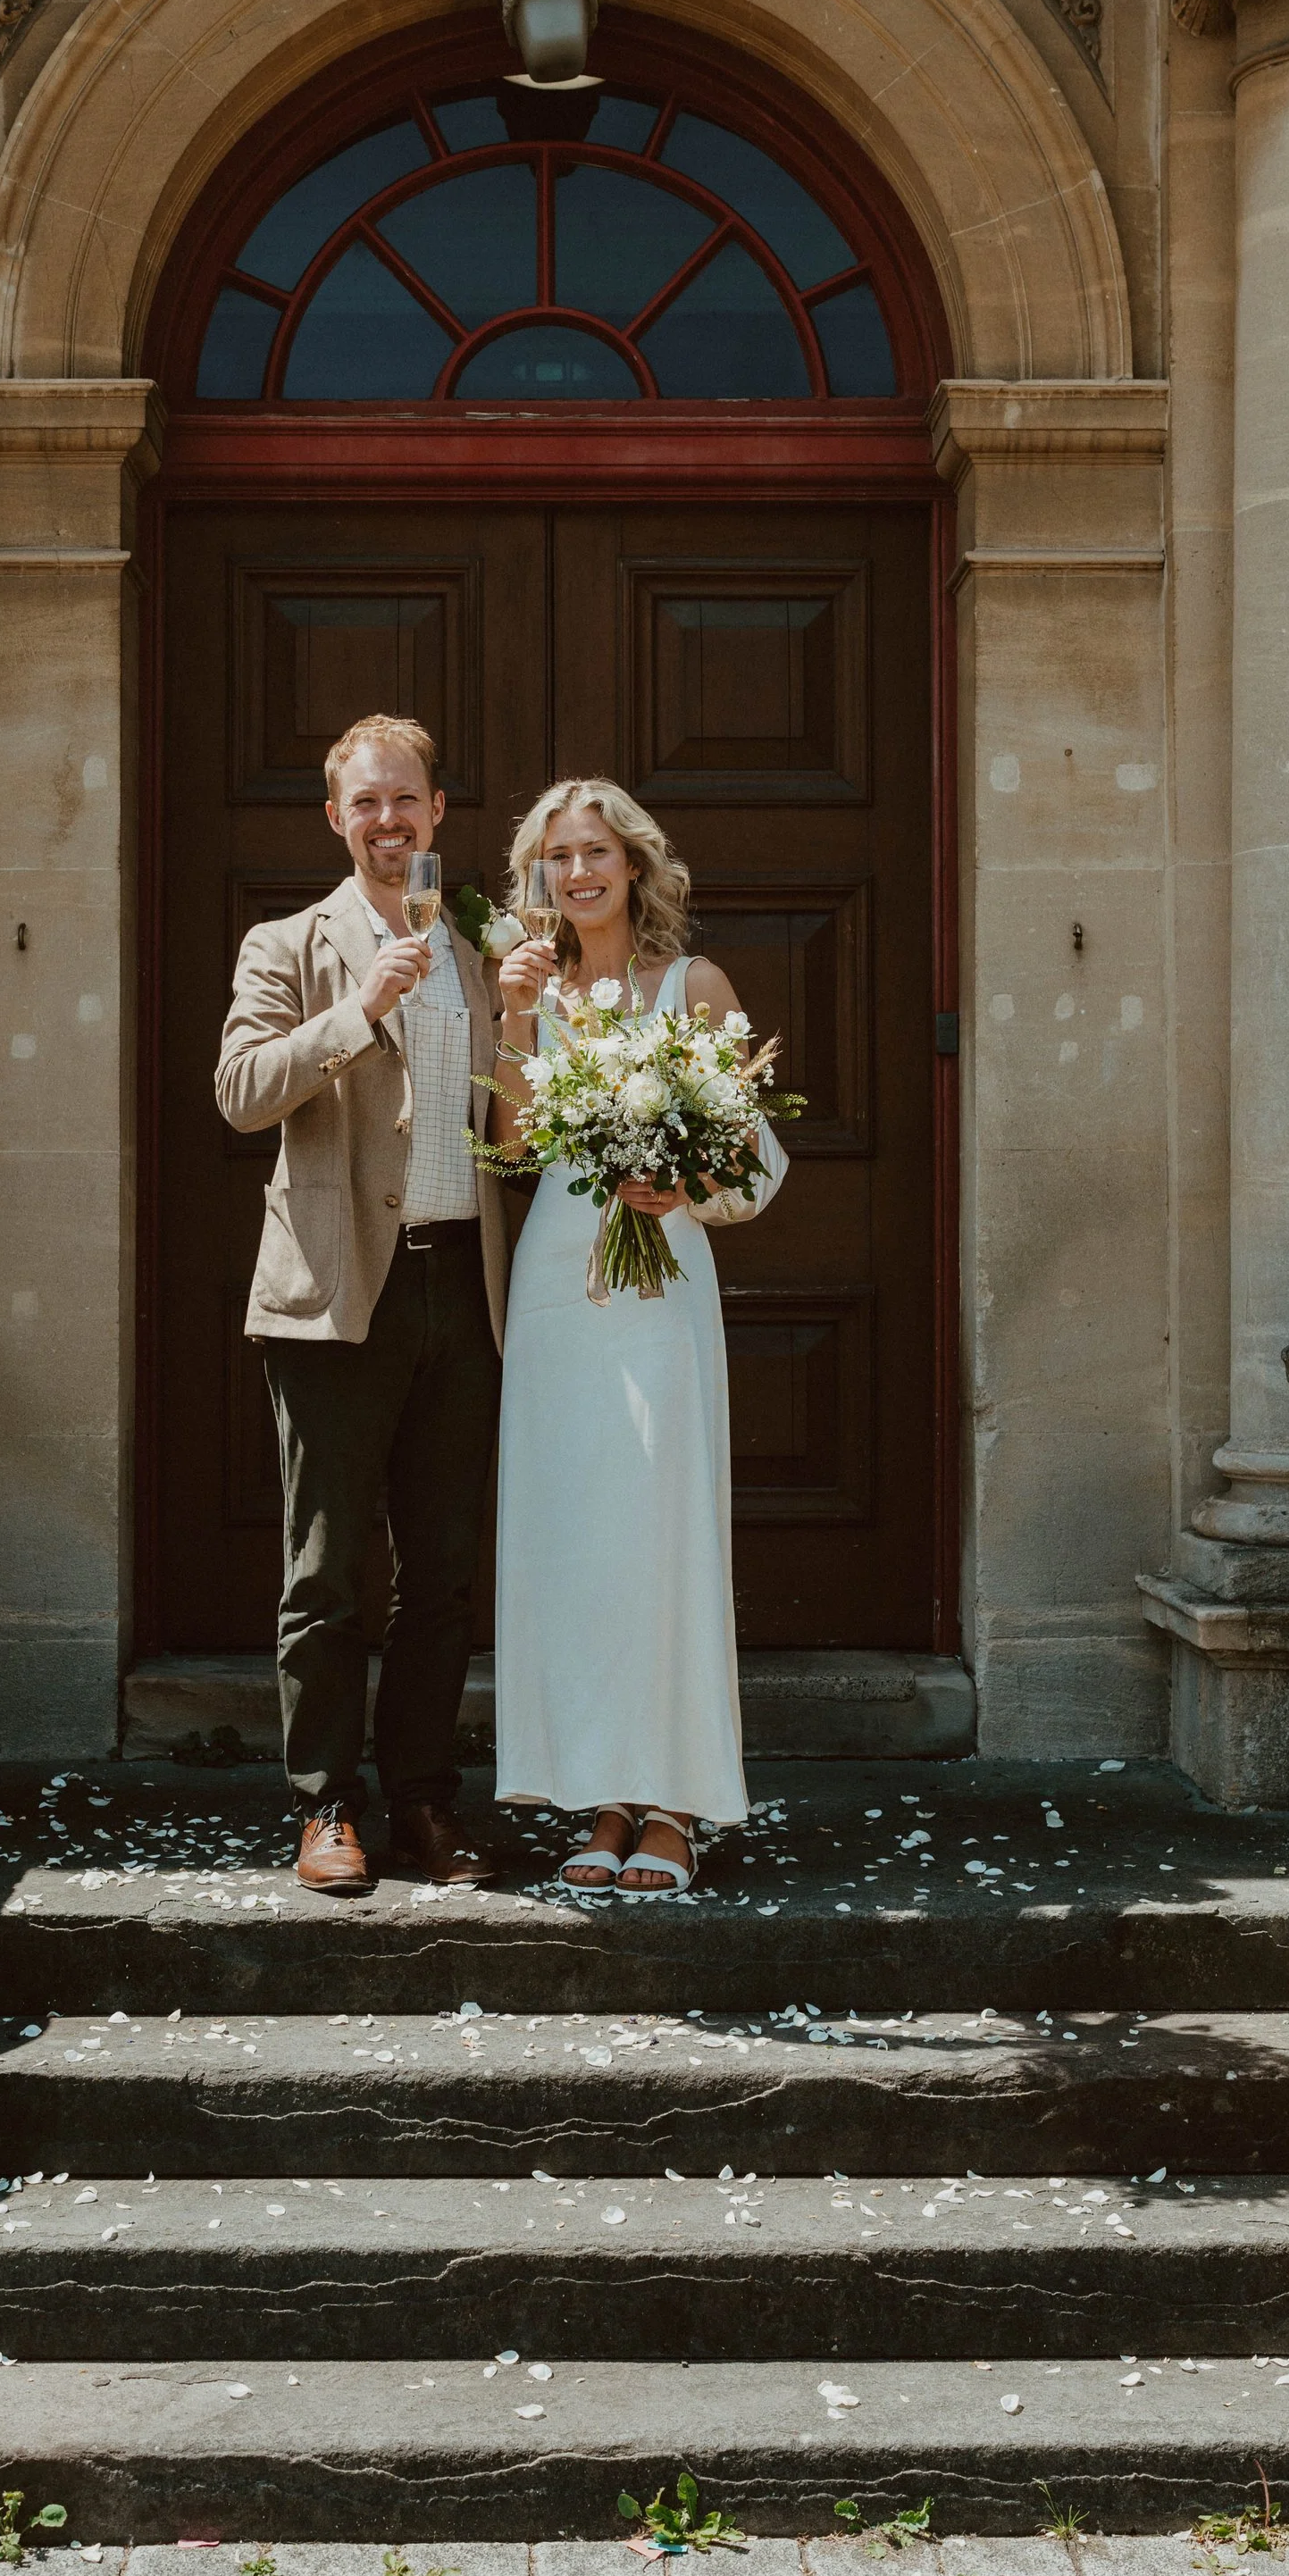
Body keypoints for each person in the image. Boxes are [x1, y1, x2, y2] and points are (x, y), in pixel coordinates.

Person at [214, 716, 507, 1894]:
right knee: (326, 1567)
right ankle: (325, 1802)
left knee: (440, 1569)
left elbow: (508, 1121)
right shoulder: (287, 943)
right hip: (339, 1293)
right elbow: (239, 1092)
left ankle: (426, 1800)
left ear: (439, 812)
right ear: (337, 819)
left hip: (460, 1284)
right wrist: (359, 1013)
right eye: (366, 804)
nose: (390, 822)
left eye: (408, 802)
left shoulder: (481, 946)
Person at [488, 777, 785, 1894]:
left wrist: (682, 1181)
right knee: (579, 1541)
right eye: (557, 856)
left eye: (595, 851)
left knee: (661, 1532)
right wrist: (517, 1013)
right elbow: (516, 1146)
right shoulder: (531, 984)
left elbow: (748, 1155)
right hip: (562, 1277)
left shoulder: (690, 984)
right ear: (538, 876)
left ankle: (677, 1805)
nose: (578, 872)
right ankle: (602, 1796)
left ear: (634, 864)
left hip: (662, 1287)